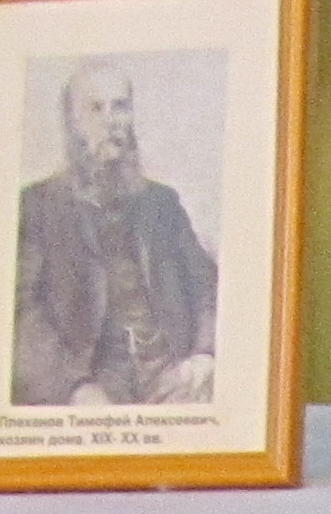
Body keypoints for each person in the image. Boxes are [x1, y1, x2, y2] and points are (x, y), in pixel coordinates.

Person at [11, 58, 217, 409]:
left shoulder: (161, 203)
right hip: (92, 381)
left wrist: (204, 355)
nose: (111, 120)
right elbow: (21, 316)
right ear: (72, 122)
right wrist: (73, 388)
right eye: (95, 108)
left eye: (120, 107)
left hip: (170, 374)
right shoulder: (37, 206)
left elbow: (208, 287)